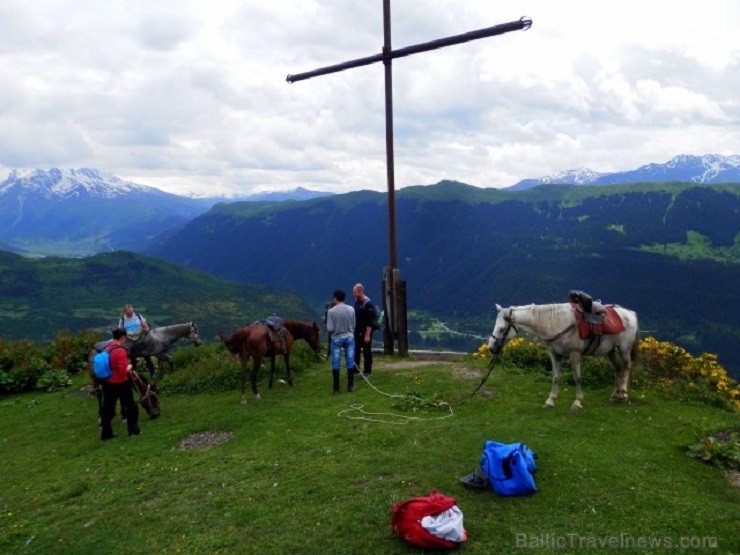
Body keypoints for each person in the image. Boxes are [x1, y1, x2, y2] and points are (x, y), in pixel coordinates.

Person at [100, 328, 141, 440]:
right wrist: (130, 366)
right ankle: (133, 431)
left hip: (107, 382)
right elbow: (123, 371)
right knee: (131, 407)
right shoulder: (120, 351)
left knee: (108, 408)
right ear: (122, 338)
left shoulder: (107, 349)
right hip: (121, 383)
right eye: (125, 339)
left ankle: (106, 434)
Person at [325, 289, 358, 394]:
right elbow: (354, 325)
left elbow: (330, 329)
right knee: (350, 361)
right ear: (344, 298)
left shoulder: (331, 311)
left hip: (336, 338)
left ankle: (336, 389)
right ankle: (350, 386)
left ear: (335, 298)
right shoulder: (351, 309)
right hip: (349, 337)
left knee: (336, 362)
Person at [118, 304, 156, 378]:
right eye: (129, 313)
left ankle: (152, 373)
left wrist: (146, 331)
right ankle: (135, 373)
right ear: (125, 312)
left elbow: (145, 326)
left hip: (139, 337)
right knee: (131, 355)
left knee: (146, 354)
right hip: (129, 339)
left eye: (131, 312)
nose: (131, 314)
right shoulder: (122, 320)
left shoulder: (138, 315)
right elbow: (120, 330)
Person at [352, 283, 376, 378]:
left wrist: (367, 335)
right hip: (357, 330)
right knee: (356, 350)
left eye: (354, 292)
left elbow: (370, 322)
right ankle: (356, 369)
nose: (353, 294)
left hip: (365, 331)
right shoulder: (357, 302)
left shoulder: (368, 304)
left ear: (360, 291)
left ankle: (367, 371)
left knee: (366, 351)